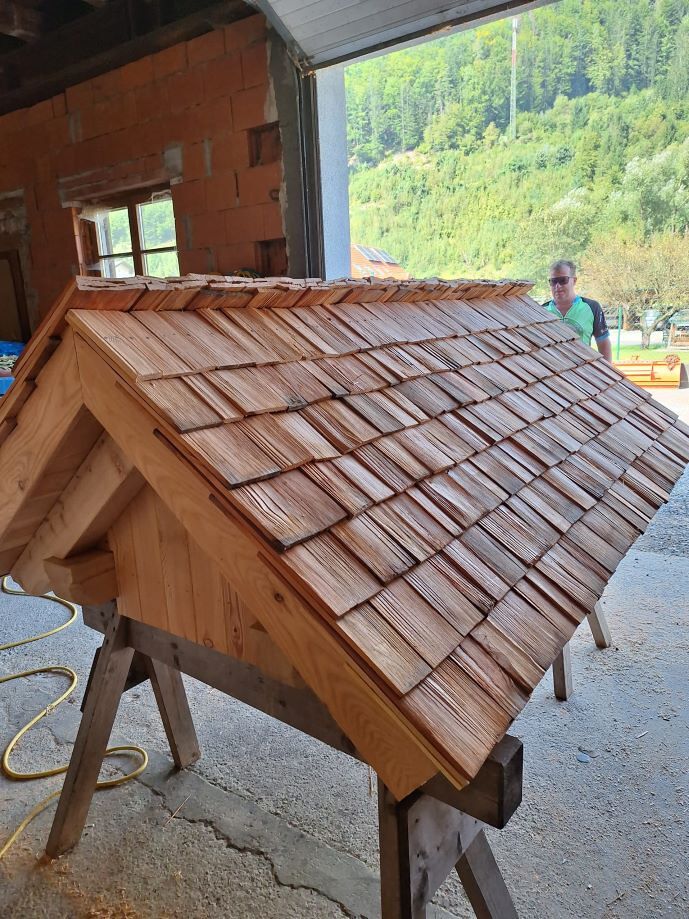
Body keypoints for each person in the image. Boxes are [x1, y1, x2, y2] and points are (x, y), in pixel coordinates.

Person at [543, 259, 612, 361]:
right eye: (553, 281)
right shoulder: (541, 310)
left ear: (574, 280)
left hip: (583, 369)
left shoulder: (592, 307)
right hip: (551, 368)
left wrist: (607, 369)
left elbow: (603, 342)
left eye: (563, 280)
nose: (557, 286)